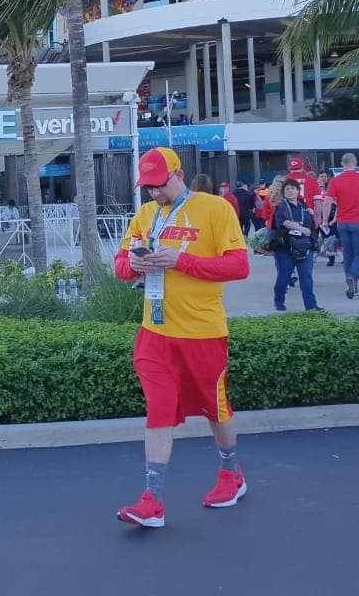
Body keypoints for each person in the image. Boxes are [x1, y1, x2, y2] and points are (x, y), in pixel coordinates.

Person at [113, 147, 250, 529]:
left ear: (179, 174)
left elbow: (239, 266)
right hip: (154, 333)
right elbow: (121, 264)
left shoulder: (215, 209)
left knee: (216, 409)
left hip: (203, 333)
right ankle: (152, 500)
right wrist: (134, 264)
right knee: (158, 411)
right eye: (149, 187)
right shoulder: (145, 215)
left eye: (159, 185)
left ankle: (231, 473)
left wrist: (181, 261)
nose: (154, 193)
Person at [322, 153, 359, 299]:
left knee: (347, 253)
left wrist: (325, 220)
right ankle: (353, 278)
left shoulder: (335, 181)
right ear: (355, 163)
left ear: (342, 163)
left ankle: (350, 282)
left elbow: (327, 202)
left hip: (343, 222)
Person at [270, 179, 319, 311]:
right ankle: (279, 302)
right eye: (287, 189)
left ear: (298, 191)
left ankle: (311, 305)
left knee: (306, 276)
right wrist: (300, 228)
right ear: (283, 192)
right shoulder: (281, 206)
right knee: (284, 276)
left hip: (304, 246)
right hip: (286, 248)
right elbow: (284, 222)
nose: (290, 191)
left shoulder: (303, 206)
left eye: (293, 188)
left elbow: (311, 223)